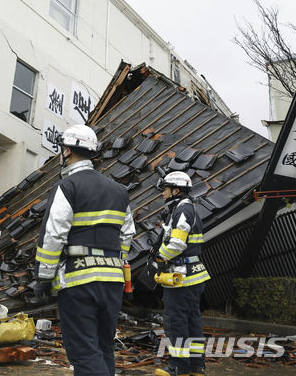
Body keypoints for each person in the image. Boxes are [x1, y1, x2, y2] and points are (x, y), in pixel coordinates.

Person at [33, 125, 135, 376]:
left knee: (85, 353)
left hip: (79, 283)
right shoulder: (119, 191)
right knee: (103, 347)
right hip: (112, 282)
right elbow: (128, 233)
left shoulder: (68, 187)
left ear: (67, 151)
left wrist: (44, 277)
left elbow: (54, 235)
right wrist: (115, 261)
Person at [153, 171, 210, 376]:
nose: (163, 194)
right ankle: (196, 367)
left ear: (175, 190)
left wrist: (160, 258)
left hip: (181, 277)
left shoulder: (183, 209)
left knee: (175, 322)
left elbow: (177, 243)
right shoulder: (186, 208)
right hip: (192, 276)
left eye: (165, 190)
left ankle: (178, 368)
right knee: (192, 321)